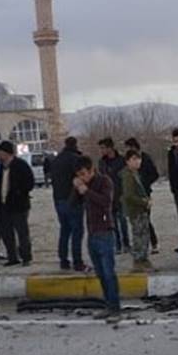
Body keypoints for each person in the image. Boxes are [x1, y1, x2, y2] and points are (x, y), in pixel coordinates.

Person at [74, 156, 121, 319]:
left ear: (92, 170)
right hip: (92, 233)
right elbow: (74, 203)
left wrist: (87, 191)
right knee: (100, 273)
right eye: (79, 175)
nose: (82, 177)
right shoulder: (83, 184)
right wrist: (77, 189)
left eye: (84, 174)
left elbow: (106, 202)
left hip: (105, 232)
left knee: (109, 273)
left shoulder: (104, 181)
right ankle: (108, 305)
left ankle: (115, 307)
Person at [0, 141, 35, 267]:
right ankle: (12, 257)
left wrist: (19, 192)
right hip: (4, 205)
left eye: (0, 153)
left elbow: (30, 183)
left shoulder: (20, 165)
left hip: (19, 206)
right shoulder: (2, 167)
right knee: (7, 233)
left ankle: (26, 257)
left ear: (6, 153)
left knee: (22, 233)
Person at [50, 136, 86, 271]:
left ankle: (63, 261)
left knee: (64, 230)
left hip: (58, 200)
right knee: (77, 231)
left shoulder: (56, 159)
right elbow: (82, 177)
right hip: (74, 200)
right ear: (75, 145)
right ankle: (77, 261)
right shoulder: (76, 159)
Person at [120, 150, 153, 272]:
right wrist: (144, 202)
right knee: (139, 235)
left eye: (138, 159)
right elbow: (129, 195)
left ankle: (143, 259)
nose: (137, 161)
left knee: (144, 234)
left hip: (141, 209)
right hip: (136, 210)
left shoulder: (135, 173)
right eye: (134, 159)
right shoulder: (128, 175)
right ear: (128, 161)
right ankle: (138, 260)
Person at [125, 137, 160, 253]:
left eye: (129, 148)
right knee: (136, 220)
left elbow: (155, 174)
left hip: (144, 193)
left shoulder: (145, 158)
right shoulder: (128, 161)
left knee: (146, 219)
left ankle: (153, 243)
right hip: (133, 193)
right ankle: (140, 245)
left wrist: (144, 182)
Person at [98, 138, 130, 253]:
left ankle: (126, 244)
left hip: (120, 195)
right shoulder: (102, 162)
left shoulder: (121, 160)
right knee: (112, 223)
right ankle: (117, 245)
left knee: (123, 221)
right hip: (108, 196)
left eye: (103, 148)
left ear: (110, 148)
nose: (101, 151)